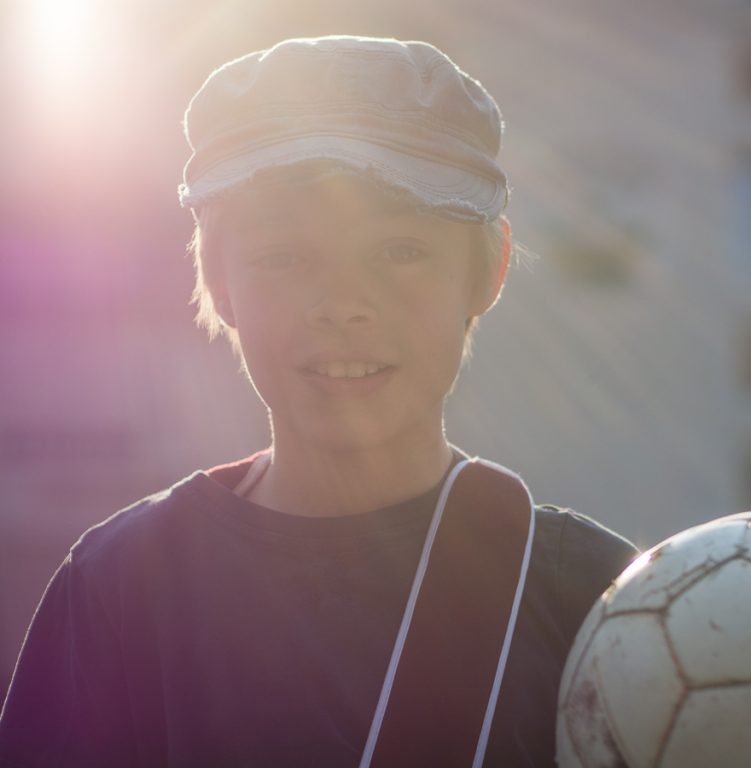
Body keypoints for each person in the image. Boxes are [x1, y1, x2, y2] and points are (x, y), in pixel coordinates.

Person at [0, 36, 637, 767]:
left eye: (400, 250)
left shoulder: (598, 602)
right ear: (218, 274)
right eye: (285, 256)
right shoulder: (118, 591)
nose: (343, 304)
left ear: (487, 269)